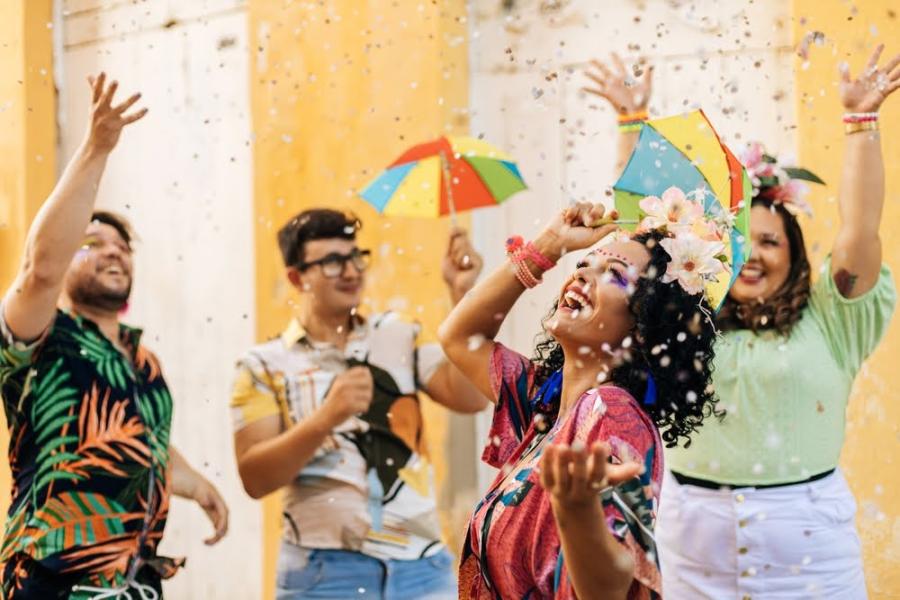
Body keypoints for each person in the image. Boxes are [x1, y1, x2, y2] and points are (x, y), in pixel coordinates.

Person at [586, 45, 898, 598]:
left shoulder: (833, 317)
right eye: (741, 240)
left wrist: (861, 123)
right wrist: (631, 123)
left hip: (812, 556)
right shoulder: (686, 317)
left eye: (770, 241)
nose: (752, 255)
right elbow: (641, 238)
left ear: (796, 255)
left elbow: (860, 230)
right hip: (691, 548)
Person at [0, 74, 228, 599]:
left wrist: (193, 481)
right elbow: (39, 268)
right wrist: (97, 147)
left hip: (135, 581)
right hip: (55, 581)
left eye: (122, 245)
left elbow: (129, 437)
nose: (113, 252)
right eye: (92, 242)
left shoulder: (142, 359)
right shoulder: (38, 336)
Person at [438, 196, 726, 599]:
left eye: (616, 274)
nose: (582, 276)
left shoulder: (610, 413)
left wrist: (577, 512)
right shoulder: (544, 406)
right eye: (582, 265)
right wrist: (550, 245)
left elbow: (614, 590)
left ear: (644, 326)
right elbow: (458, 337)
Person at [230, 209, 489, 599]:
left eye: (355, 257)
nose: (351, 272)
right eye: (333, 262)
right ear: (297, 277)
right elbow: (254, 478)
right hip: (324, 572)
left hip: (422, 565)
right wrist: (325, 418)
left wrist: (462, 294)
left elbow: (470, 398)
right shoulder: (263, 364)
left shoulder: (399, 336)